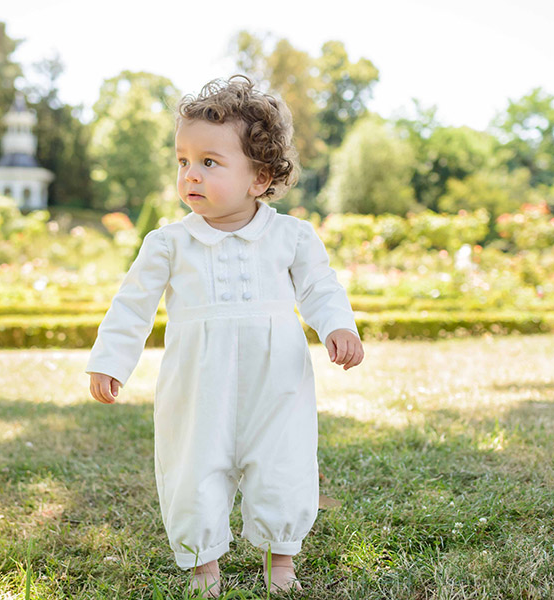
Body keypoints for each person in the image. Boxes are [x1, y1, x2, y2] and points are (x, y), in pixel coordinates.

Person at [86, 75, 364, 597]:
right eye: (183, 161)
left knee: (283, 461)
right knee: (192, 466)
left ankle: (281, 559)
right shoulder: (169, 243)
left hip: (276, 380)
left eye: (209, 162)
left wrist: (338, 326)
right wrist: (110, 360)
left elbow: (321, 288)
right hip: (197, 385)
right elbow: (132, 306)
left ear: (259, 177)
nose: (190, 174)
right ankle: (202, 565)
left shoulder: (291, 236)